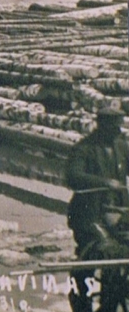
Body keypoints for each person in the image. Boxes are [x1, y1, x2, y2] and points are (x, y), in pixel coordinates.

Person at [66, 106, 129, 257]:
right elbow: (73, 176)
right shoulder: (83, 149)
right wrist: (105, 183)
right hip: (90, 214)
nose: (119, 132)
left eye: (119, 127)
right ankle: (83, 279)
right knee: (103, 249)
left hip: (118, 211)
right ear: (102, 126)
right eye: (114, 128)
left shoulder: (121, 146)